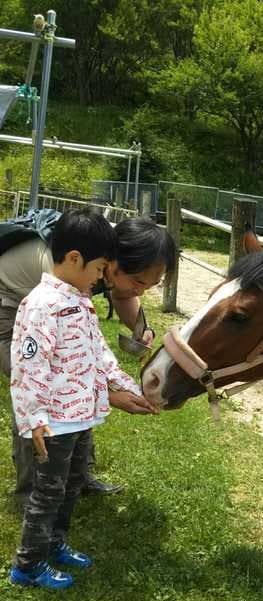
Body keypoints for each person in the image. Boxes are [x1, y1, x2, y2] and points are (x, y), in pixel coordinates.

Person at [9, 208, 148, 589]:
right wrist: (34, 417)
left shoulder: (79, 300)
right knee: (48, 493)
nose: (102, 278)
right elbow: (28, 368)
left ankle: (55, 543)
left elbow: (100, 353)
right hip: (53, 421)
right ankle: (28, 565)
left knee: (71, 486)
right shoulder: (41, 305)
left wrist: (130, 387)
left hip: (80, 417)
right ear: (73, 259)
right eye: (99, 268)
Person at [0, 211, 175, 504]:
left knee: (75, 398)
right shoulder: (64, 270)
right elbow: (58, 367)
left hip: (41, 312)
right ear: (111, 263)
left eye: (150, 286)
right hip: (9, 312)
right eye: (138, 281)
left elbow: (121, 296)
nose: (141, 291)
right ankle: (30, 491)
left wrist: (140, 329)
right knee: (38, 396)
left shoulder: (96, 262)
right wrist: (109, 395)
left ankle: (78, 478)